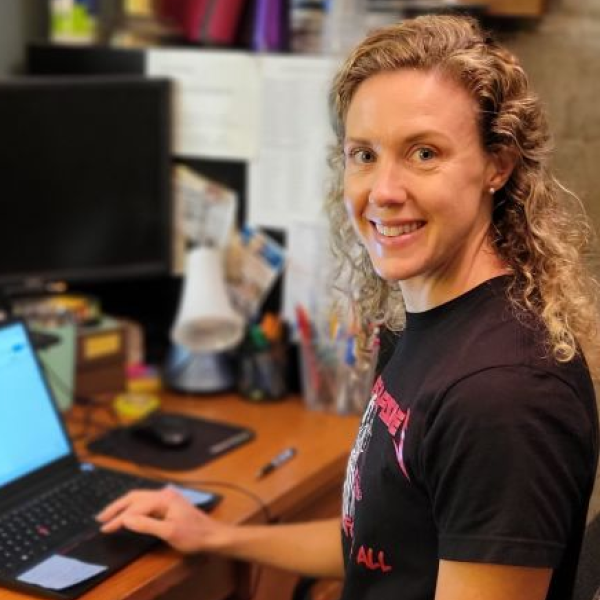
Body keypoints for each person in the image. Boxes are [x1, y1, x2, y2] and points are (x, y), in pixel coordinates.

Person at [97, 15, 600, 600]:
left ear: (499, 164)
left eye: (424, 153)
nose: (382, 191)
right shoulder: (436, 326)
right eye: (364, 154)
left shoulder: (503, 398)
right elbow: (380, 543)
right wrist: (216, 536)